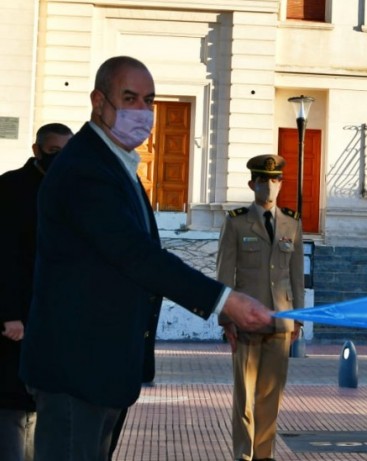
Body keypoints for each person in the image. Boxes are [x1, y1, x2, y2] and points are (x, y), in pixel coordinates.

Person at [19, 55, 273, 461]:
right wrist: (224, 301)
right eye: (130, 98)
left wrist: (222, 306)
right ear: (98, 101)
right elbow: (135, 255)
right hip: (76, 370)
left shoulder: (115, 162)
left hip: (102, 369)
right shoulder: (86, 167)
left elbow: (137, 259)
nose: (142, 112)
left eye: (149, 100)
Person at [216, 154, 305, 461]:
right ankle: (244, 454)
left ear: (281, 183)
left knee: (270, 396)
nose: (270, 186)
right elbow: (225, 273)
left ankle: (264, 455)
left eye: (275, 180)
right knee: (245, 398)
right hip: (245, 322)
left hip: (280, 321)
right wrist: (226, 319)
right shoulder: (237, 221)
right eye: (264, 180)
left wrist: (298, 319)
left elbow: (295, 274)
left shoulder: (291, 222)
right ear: (252, 183)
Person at [0, 123, 73, 461]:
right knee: (12, 407)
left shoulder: (70, 188)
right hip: (16, 321)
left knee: (42, 405)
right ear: (37, 150)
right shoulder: (11, 187)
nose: (59, 159)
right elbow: (4, 255)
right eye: (53, 152)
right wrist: (9, 314)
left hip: (52, 317)